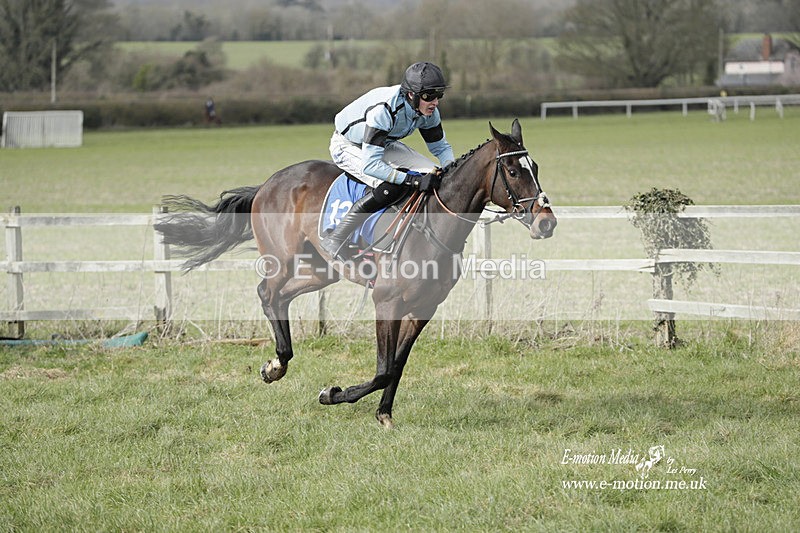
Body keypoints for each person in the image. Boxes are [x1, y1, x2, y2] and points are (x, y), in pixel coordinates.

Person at [321, 61, 455, 260]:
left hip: (382, 143)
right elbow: (370, 165)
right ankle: (336, 236)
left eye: (438, 95)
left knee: (433, 173)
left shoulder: (429, 112)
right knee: (390, 183)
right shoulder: (384, 110)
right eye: (429, 96)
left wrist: (451, 171)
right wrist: (412, 181)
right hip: (348, 145)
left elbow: (440, 148)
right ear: (412, 95)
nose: (435, 102)